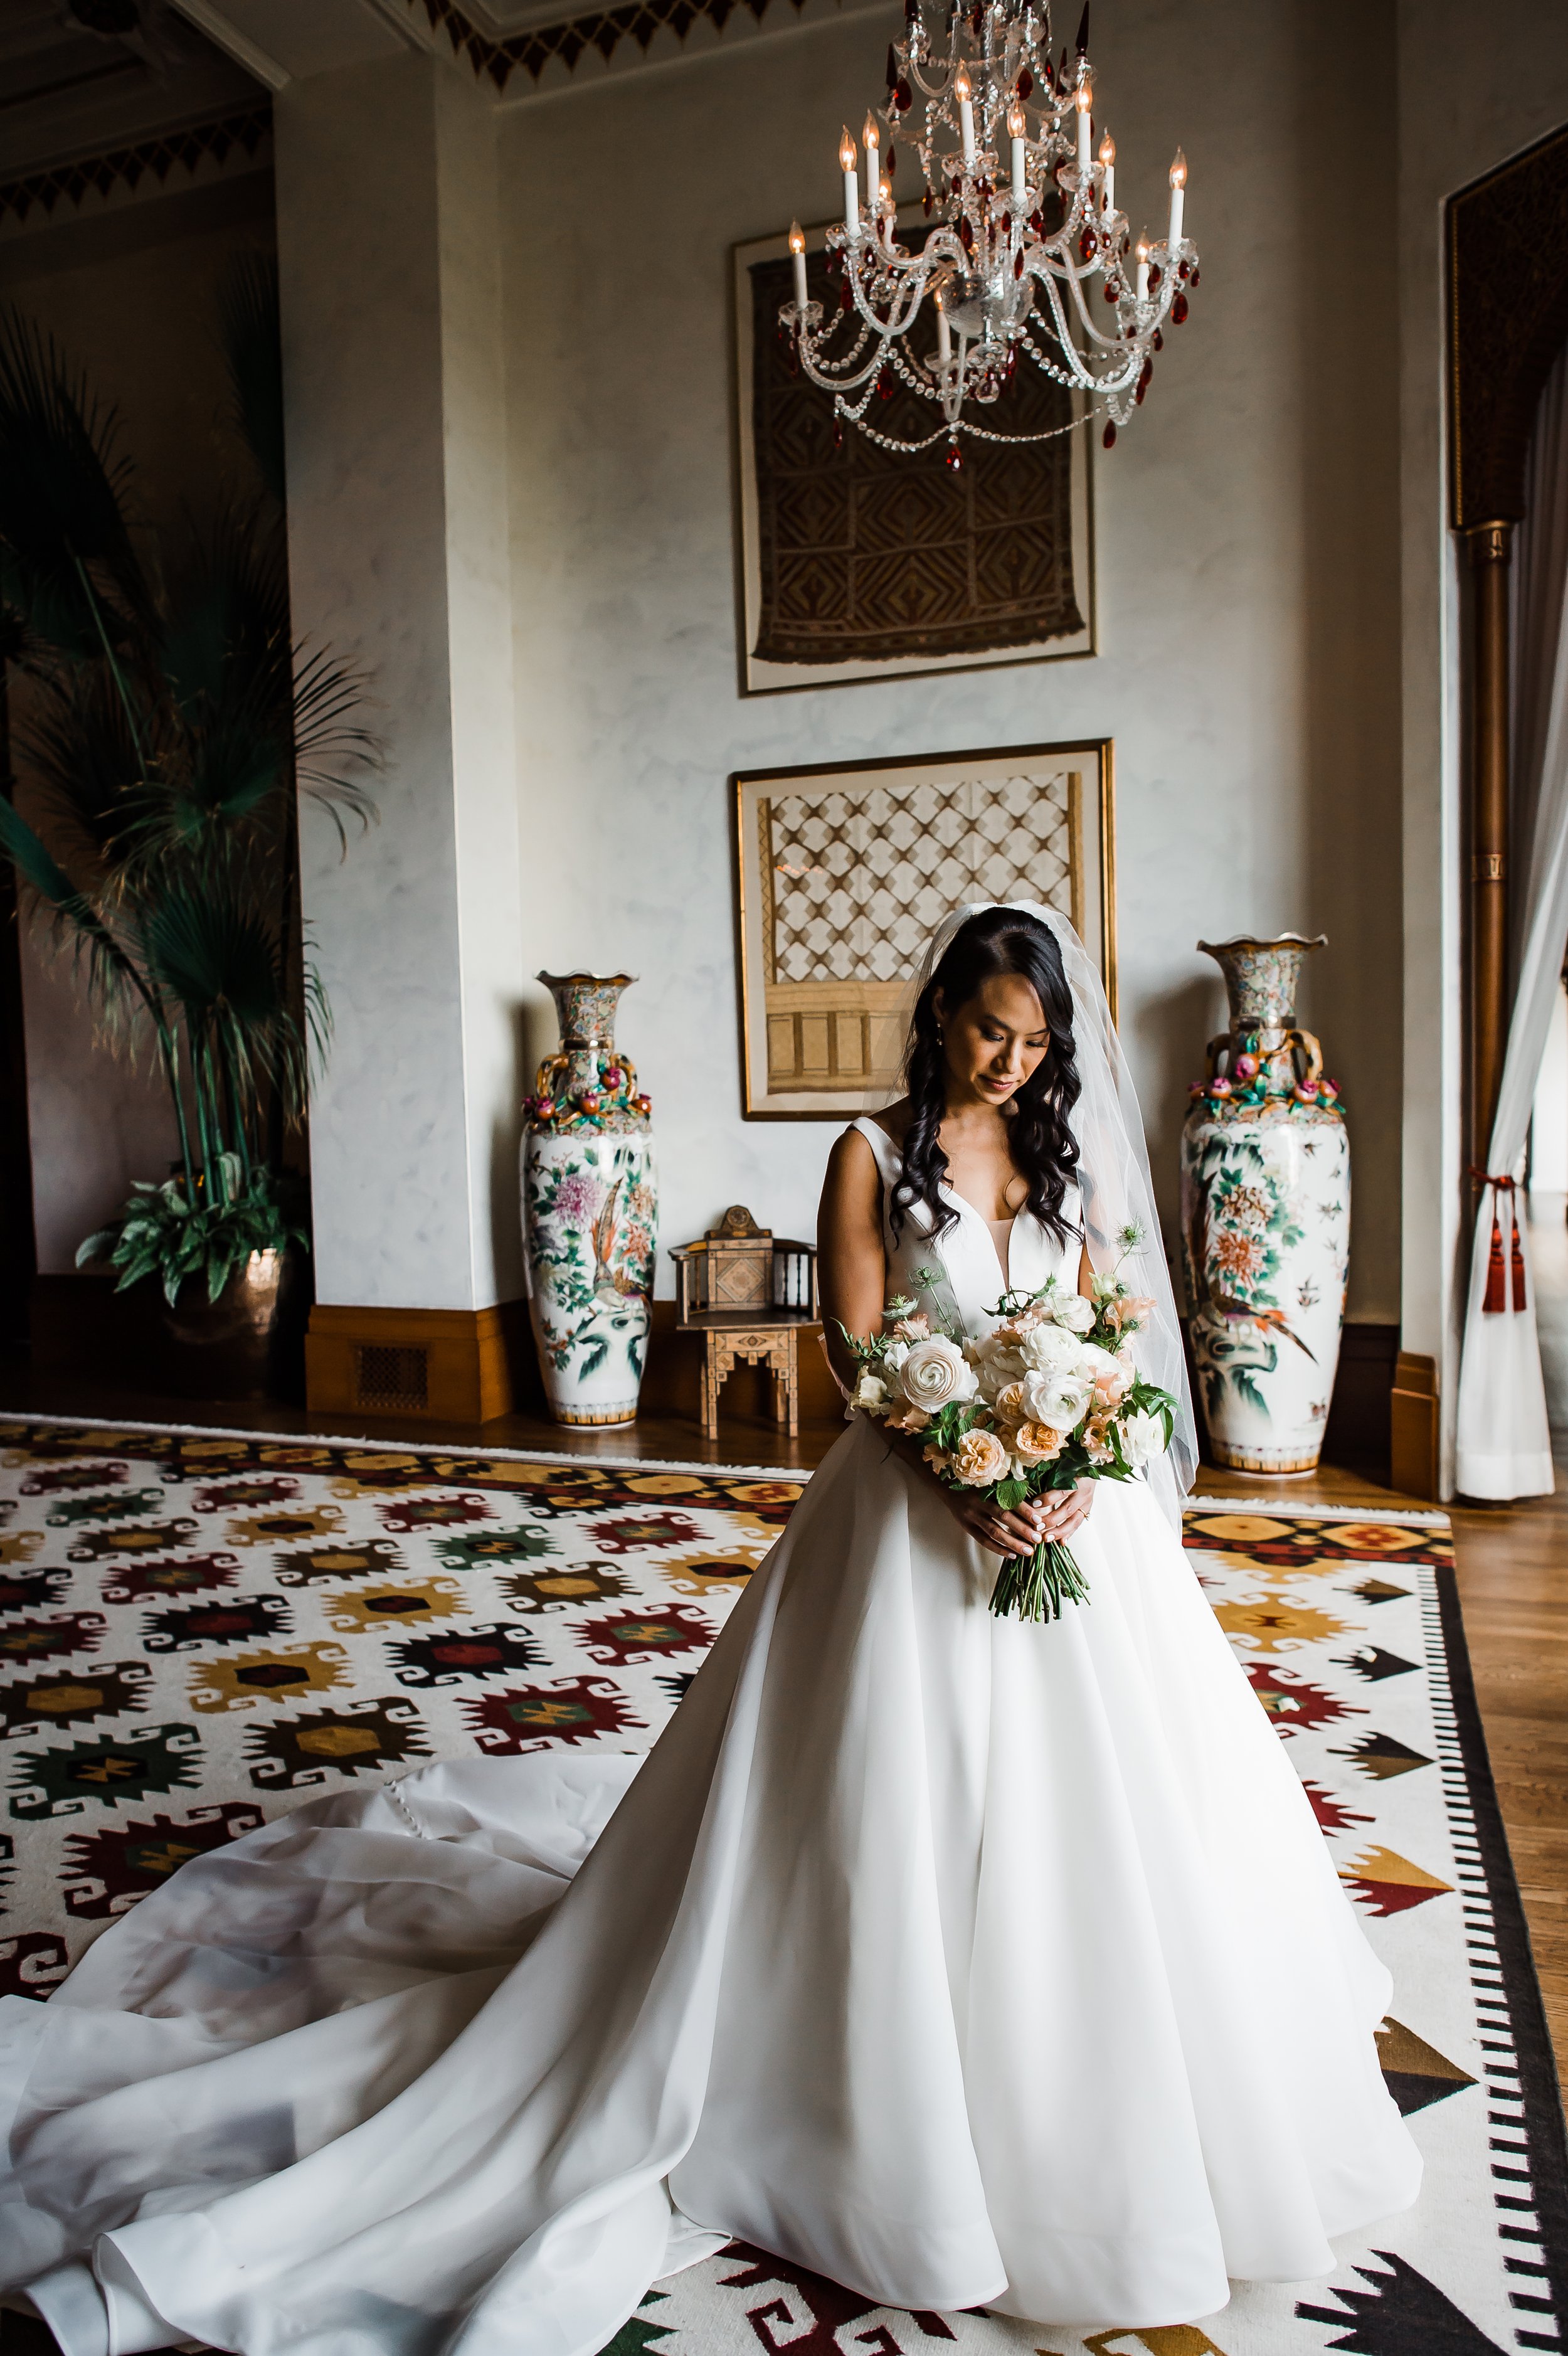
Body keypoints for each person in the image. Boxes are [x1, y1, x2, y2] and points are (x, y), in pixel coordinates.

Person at [0, 903, 1419, 2356]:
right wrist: (976, 1475)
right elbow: (868, 1361)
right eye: (991, 1029)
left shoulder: (1058, 1158)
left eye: (1038, 1040)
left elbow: (1111, 1331)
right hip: (920, 1508)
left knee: (1117, 1811)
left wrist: (1069, 1465)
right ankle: (863, 2091)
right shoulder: (867, 1157)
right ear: (939, 1012)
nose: (1011, 1060)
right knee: (885, 1807)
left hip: (1074, 1515)